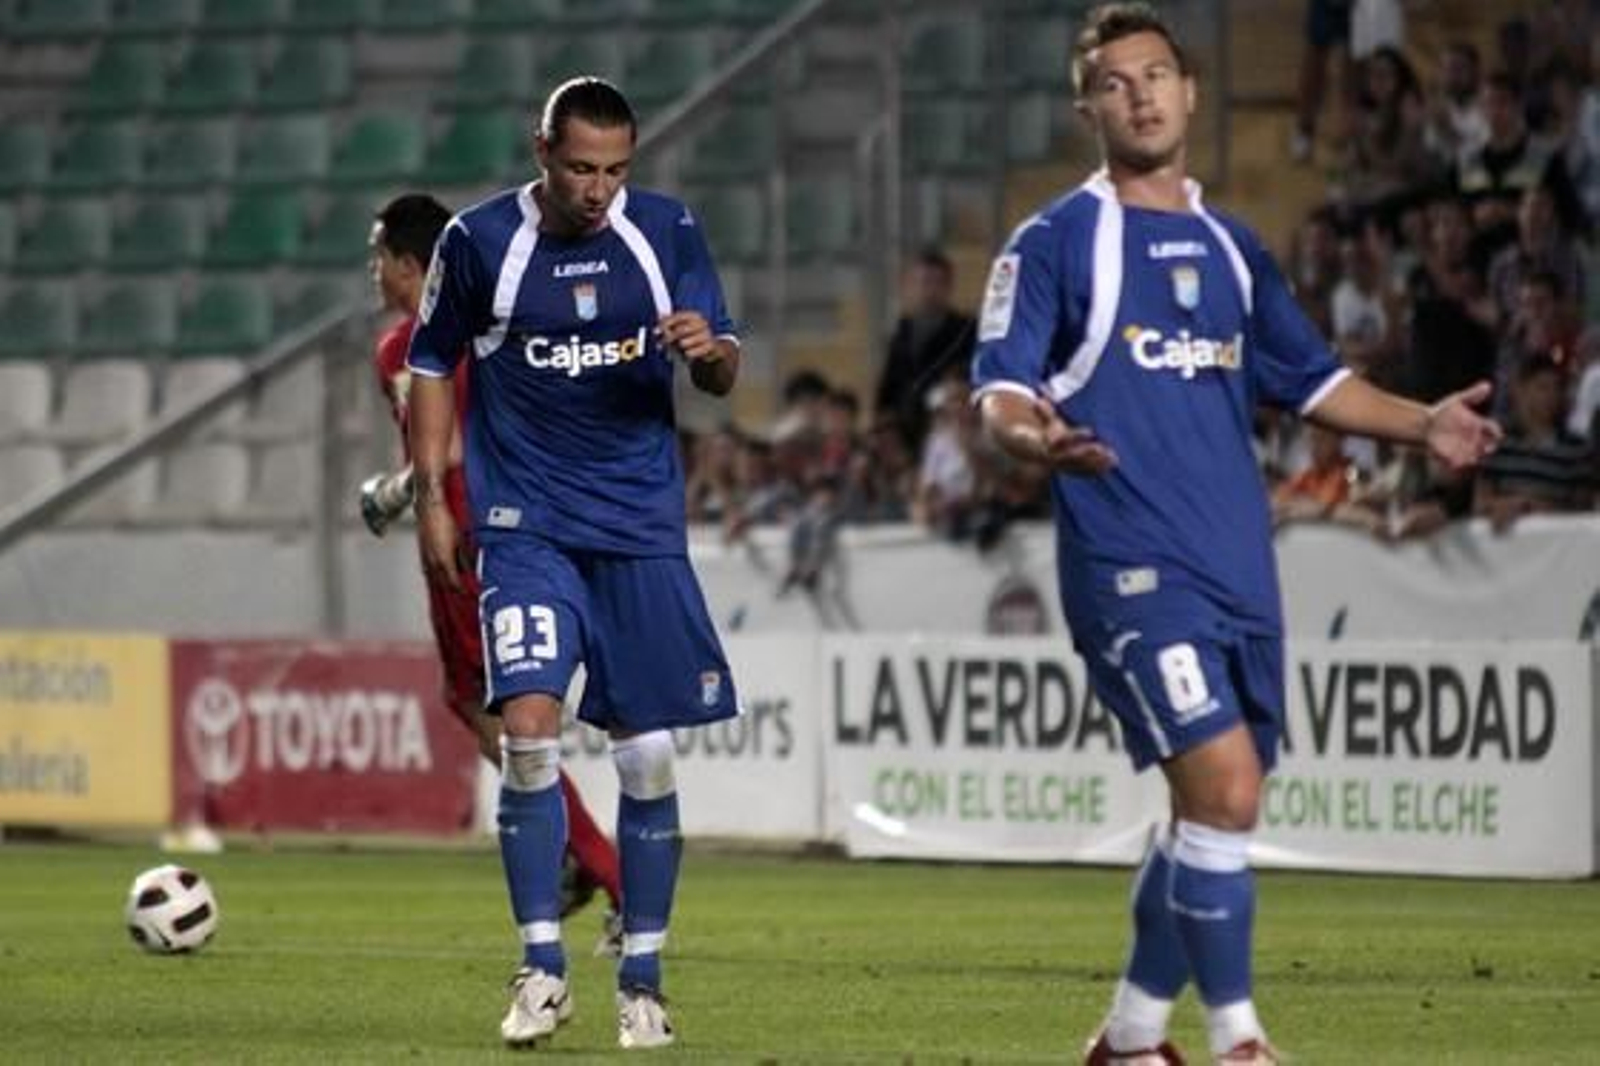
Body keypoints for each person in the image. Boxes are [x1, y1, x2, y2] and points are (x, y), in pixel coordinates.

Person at [969, 6, 1502, 1063]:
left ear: (1191, 90)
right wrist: (1036, 440)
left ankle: (1127, 1039)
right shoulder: (1056, 242)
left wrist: (1422, 420)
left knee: (1212, 811)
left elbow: (1314, 381)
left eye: (1158, 74)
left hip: (1238, 571)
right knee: (1223, 788)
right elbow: (997, 391)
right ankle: (1238, 1039)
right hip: (1130, 564)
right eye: (1116, 83)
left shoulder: (1230, 245)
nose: (1142, 95)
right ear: (1089, 108)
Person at [405, 78, 742, 1051]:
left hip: (637, 528)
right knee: (527, 730)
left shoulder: (666, 231)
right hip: (526, 524)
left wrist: (707, 349)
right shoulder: (477, 243)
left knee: (646, 753)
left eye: (615, 170)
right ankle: (541, 965)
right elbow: (431, 359)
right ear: (542, 152)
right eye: (581, 168)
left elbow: (723, 369)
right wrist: (433, 495)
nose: (599, 190)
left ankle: (642, 978)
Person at [359, 192, 624, 956]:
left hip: (468, 536)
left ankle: (609, 876)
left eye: (380, 257)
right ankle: (583, 861)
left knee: (505, 721)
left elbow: (435, 458)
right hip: (496, 529)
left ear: (410, 267)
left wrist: (388, 493)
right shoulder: (491, 329)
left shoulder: (415, 349)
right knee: (481, 708)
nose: (374, 271)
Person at [874, 246, 977, 453]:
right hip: (905, 435)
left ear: (948, 286)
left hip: (951, 432)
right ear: (910, 285)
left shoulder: (965, 330)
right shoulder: (902, 333)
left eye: (936, 282)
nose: (929, 290)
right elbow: (887, 390)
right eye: (923, 282)